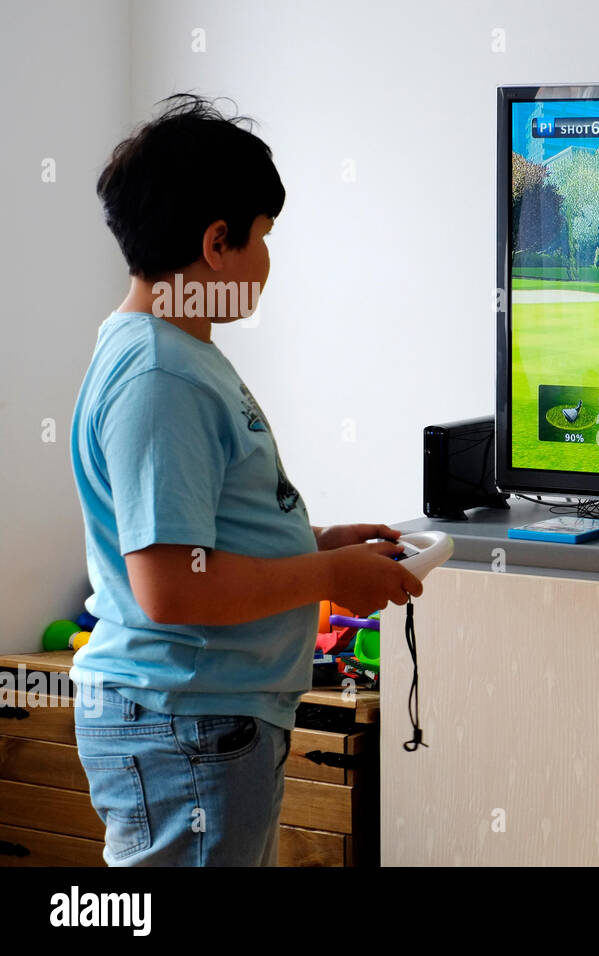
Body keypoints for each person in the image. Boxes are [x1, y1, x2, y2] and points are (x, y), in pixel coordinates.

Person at [67, 94, 422, 866]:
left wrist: (319, 542)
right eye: (263, 237)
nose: (268, 261)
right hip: (185, 719)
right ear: (217, 241)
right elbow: (170, 588)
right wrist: (327, 573)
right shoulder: (164, 374)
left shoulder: (170, 354)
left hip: (199, 717)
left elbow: (199, 538)